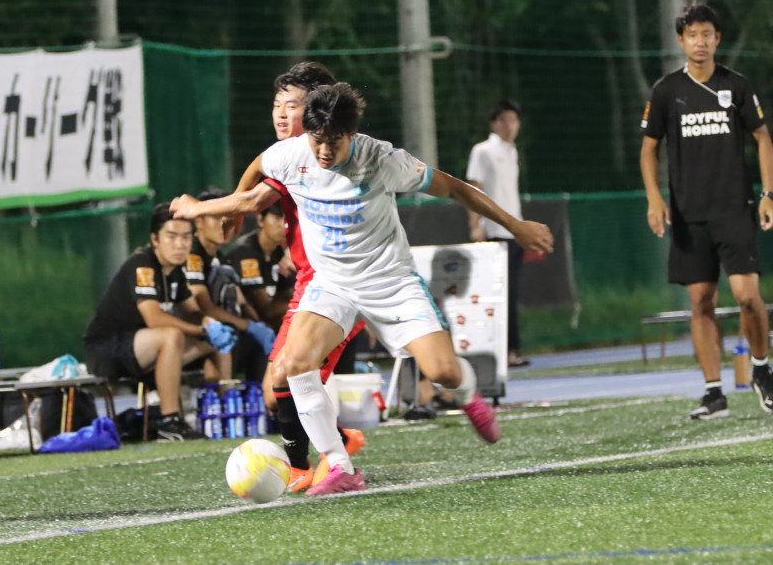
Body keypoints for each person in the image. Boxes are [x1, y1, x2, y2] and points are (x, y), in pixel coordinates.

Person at [172, 82, 554, 495]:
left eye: (333, 142)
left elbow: (456, 188)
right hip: (333, 284)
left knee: (441, 371)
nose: (323, 151)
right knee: (293, 364)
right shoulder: (293, 154)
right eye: (316, 140)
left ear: (352, 135)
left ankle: (467, 393)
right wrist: (206, 208)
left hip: (391, 281)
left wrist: (516, 226)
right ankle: (340, 467)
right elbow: (255, 178)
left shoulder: (382, 159)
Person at [179, 62, 367, 492]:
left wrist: (200, 208)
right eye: (277, 105)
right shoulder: (293, 154)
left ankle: (317, 464)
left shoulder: (311, 155)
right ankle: (333, 448)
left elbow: (253, 198)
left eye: (293, 105)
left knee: (284, 378)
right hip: (312, 282)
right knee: (279, 387)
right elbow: (258, 179)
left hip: (337, 286)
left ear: (317, 111)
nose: (282, 114)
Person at [640, 0, 773, 420]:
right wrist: (654, 197)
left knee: (748, 297)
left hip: (734, 209)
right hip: (688, 215)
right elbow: (648, 149)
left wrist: (769, 193)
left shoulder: (737, 85)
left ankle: (762, 368)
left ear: (718, 39)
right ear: (681, 40)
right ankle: (714, 393)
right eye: (693, 35)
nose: (700, 41)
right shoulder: (666, 91)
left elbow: (763, 137)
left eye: (707, 34)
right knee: (701, 301)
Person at [83, 203, 236, 441]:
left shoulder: (175, 270)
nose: (180, 244)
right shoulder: (142, 264)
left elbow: (193, 311)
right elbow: (154, 319)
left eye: (186, 237)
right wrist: (201, 329)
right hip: (106, 350)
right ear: (155, 239)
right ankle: (169, 421)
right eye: (172, 236)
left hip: (144, 350)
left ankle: (227, 410)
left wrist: (212, 325)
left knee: (217, 340)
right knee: (171, 336)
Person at [185, 187, 277, 382]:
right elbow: (203, 306)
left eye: (229, 218)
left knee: (263, 344)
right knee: (225, 339)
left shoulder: (221, 258)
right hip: (197, 332)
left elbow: (241, 302)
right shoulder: (191, 253)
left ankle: (260, 398)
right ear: (198, 220)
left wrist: (259, 326)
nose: (225, 225)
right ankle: (223, 398)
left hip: (226, 330)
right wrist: (248, 325)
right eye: (218, 218)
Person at [466, 99, 529, 367]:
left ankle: (511, 350)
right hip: (493, 232)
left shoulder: (512, 152)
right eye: (503, 120)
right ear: (493, 123)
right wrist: (475, 225)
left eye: (513, 120)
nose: (509, 126)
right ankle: (501, 352)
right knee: (497, 295)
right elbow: (473, 189)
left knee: (511, 294)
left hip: (514, 232)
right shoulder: (483, 151)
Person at [225, 199, 293, 329]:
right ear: (260, 220)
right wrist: (304, 306)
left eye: (288, 219)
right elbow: (264, 310)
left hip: (265, 324)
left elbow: (288, 295)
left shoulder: (279, 252)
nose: (284, 225)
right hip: (240, 326)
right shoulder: (246, 252)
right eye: (277, 217)